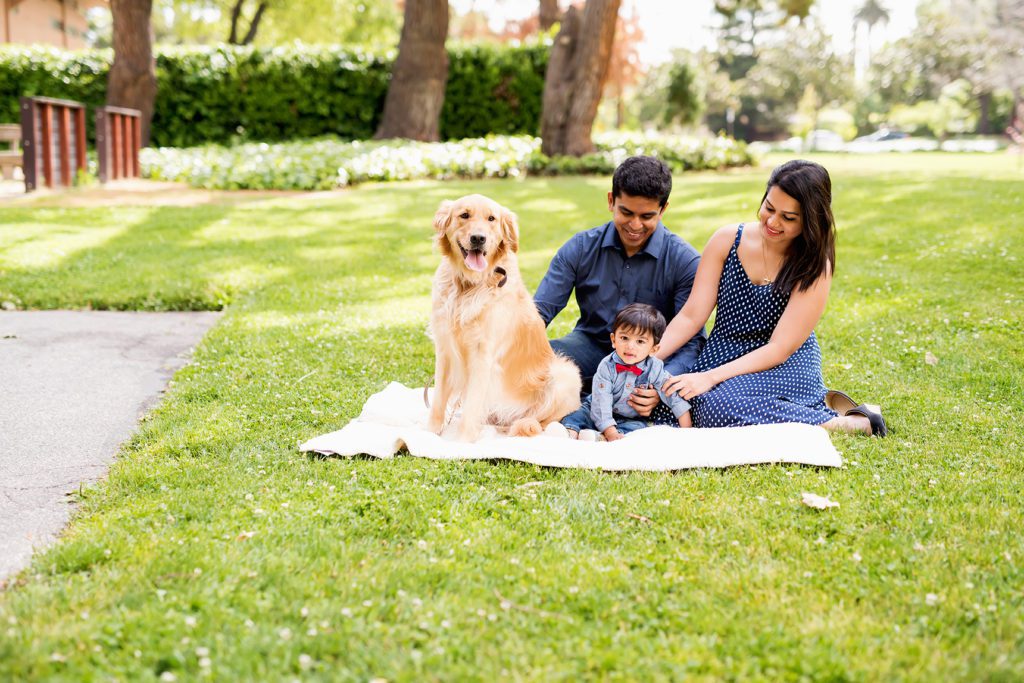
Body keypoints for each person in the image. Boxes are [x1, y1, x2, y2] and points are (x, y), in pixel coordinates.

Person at [656, 159, 886, 436]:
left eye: (789, 218)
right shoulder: (726, 240)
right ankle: (808, 410)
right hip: (723, 352)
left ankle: (847, 423)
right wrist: (649, 360)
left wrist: (709, 377)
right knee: (671, 400)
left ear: (811, 220)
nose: (773, 222)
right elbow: (692, 315)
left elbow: (779, 348)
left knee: (715, 407)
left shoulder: (813, 264)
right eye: (769, 208)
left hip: (783, 362)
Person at [534, 155, 706, 417]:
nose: (635, 225)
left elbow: (692, 342)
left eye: (647, 216)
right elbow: (538, 314)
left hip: (651, 363)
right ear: (611, 201)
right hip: (590, 345)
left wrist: (662, 386)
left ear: (663, 209)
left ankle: (590, 404)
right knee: (540, 363)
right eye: (626, 212)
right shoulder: (580, 248)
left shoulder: (684, 261)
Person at [560, 304, 692, 441]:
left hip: (629, 417)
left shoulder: (655, 369)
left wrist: (687, 431)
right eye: (624, 338)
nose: (630, 346)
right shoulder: (607, 366)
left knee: (638, 429)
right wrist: (609, 430)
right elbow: (601, 402)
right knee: (579, 414)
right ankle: (569, 432)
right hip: (596, 408)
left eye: (640, 341)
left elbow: (673, 396)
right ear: (613, 340)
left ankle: (600, 438)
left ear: (653, 349)